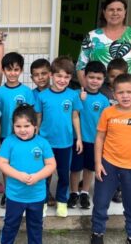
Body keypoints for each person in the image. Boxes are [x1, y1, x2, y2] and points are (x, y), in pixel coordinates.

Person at [90, 74, 131, 244]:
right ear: (114, 94)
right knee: (101, 201)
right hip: (108, 165)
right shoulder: (108, 113)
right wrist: (98, 163)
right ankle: (97, 233)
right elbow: (100, 139)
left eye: (129, 92)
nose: (125, 96)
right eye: (120, 92)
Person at [0, 104, 56, 244]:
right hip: (15, 195)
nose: (22, 130)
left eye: (27, 126)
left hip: (37, 195)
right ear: (13, 126)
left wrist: (37, 177)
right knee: (10, 225)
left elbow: (51, 165)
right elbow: (2, 163)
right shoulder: (8, 142)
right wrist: (19, 175)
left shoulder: (42, 143)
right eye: (18, 126)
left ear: (35, 126)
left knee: (36, 226)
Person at [35, 56, 83, 218]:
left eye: (67, 77)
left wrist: (79, 139)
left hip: (65, 143)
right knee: (43, 174)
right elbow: (39, 119)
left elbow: (75, 117)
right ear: (51, 75)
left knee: (63, 174)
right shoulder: (42, 96)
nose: (62, 80)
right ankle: (42, 201)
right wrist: (35, 138)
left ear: (70, 78)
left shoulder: (72, 95)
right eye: (59, 76)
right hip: (45, 143)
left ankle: (62, 202)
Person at [76, 0, 131, 87]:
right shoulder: (92, 36)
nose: (115, 13)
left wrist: (130, 86)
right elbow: (80, 66)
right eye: (111, 10)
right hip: (97, 93)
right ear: (104, 12)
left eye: (119, 9)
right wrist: (89, 91)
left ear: (125, 12)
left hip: (125, 94)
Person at [67, 61, 109, 210]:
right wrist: (80, 99)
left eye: (98, 78)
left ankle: (84, 192)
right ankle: (73, 193)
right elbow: (73, 114)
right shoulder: (76, 95)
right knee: (75, 167)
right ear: (84, 77)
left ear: (104, 79)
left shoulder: (104, 100)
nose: (94, 81)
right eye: (91, 77)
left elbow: (106, 123)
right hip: (77, 139)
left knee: (89, 167)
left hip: (94, 140)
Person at [0, 52, 35, 208]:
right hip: (6, 134)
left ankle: (22, 190)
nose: (12, 73)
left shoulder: (27, 91)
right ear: (3, 70)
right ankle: (8, 192)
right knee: (7, 165)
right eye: (9, 69)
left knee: (22, 162)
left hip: (24, 135)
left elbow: (32, 114)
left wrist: (33, 133)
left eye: (16, 69)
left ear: (21, 70)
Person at [99, 58, 128, 204]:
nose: (115, 79)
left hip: (119, 132)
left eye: (118, 76)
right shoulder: (102, 90)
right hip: (104, 130)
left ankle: (118, 189)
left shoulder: (126, 92)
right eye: (112, 76)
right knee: (104, 160)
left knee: (118, 161)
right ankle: (103, 183)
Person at [29, 58, 55, 207]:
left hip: (53, 136)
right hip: (37, 136)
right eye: (36, 75)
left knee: (49, 165)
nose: (40, 77)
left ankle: (47, 191)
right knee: (37, 163)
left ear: (50, 74)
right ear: (32, 78)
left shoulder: (58, 91)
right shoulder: (31, 94)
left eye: (44, 73)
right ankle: (38, 190)